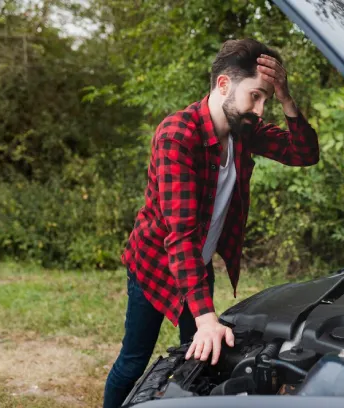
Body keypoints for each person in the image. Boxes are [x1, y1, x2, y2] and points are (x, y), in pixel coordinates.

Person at [102, 38, 320, 408]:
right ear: (223, 85)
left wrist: (286, 97)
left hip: (196, 267)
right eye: (256, 96)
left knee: (201, 356)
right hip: (155, 265)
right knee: (134, 360)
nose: (261, 109)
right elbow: (181, 235)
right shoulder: (177, 135)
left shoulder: (243, 130)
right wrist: (206, 317)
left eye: (267, 99)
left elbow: (304, 154)